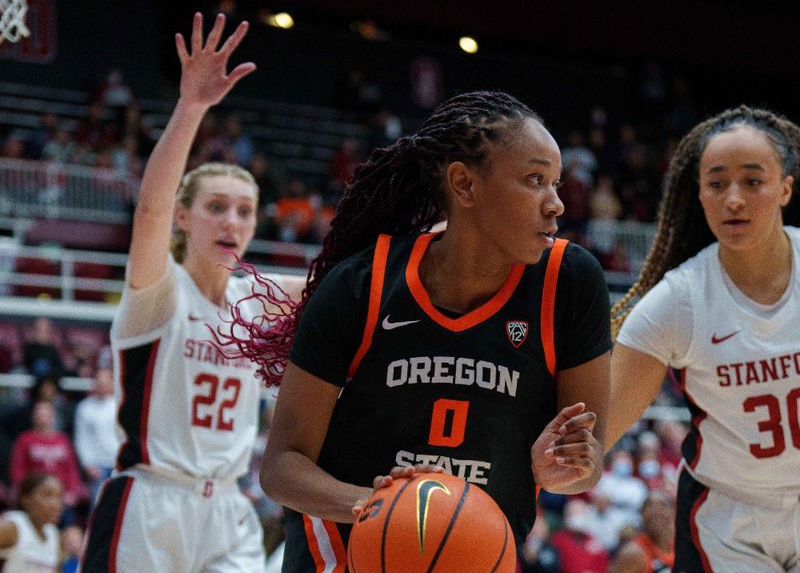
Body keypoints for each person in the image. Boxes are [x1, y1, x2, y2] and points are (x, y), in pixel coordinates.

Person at [232, 90, 612, 571]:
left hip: (477, 556)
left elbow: (588, 462)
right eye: (535, 180)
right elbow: (283, 465)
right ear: (464, 184)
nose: (556, 204)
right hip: (346, 553)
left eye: (556, 183)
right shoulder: (362, 285)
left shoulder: (570, 282)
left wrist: (560, 471)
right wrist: (380, 509)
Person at [79, 13, 304, 572]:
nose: (232, 221)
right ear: (183, 217)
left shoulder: (258, 299)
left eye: (245, 211)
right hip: (150, 503)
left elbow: (350, 277)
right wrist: (191, 107)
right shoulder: (159, 291)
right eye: (216, 207)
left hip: (228, 509)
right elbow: (149, 209)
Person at [608, 105, 800, 572]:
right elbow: (596, 433)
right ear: (700, 194)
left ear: (785, 189)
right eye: (716, 184)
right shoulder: (677, 301)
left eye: (753, 182)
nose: (733, 198)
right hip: (725, 519)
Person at [0, 472, 63, 572]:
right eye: (48, 495)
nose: (56, 504)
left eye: (59, 497)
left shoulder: (53, 533)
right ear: (26, 499)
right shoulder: (13, 525)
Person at [73, 368, 118, 505]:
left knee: (118, 504)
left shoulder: (119, 405)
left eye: (106, 382)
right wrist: (87, 463)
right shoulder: (85, 407)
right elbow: (81, 438)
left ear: (112, 383)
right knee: (97, 506)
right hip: (97, 465)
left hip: (118, 462)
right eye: (99, 382)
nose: (102, 385)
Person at [610, 489, 675, 573]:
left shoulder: (681, 547)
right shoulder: (633, 553)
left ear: (674, 512)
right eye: (649, 506)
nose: (656, 511)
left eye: (663, 505)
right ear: (642, 515)